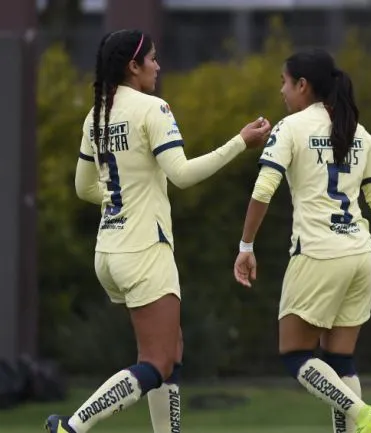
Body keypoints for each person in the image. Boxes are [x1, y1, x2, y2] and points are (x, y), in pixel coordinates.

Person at [45, 29, 271, 433]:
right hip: (145, 249)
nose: (158, 66)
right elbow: (181, 175)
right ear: (133, 66)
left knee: (172, 349)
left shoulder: (95, 113)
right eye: (152, 59)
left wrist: (121, 198)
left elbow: (83, 188)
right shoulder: (153, 109)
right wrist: (240, 142)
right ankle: (73, 426)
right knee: (156, 361)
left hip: (109, 251)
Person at [232, 47, 371, 433]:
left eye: (284, 82)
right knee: (340, 361)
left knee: (295, 355)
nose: (282, 91)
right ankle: (359, 418)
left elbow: (264, 189)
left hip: (318, 254)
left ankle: (365, 413)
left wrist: (246, 246)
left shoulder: (292, 127)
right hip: (360, 254)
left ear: (303, 85)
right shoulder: (360, 134)